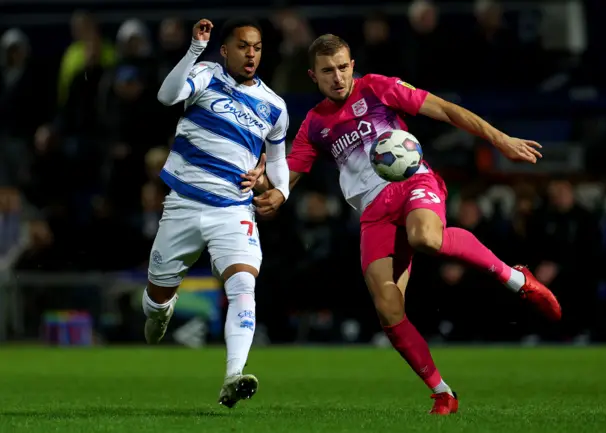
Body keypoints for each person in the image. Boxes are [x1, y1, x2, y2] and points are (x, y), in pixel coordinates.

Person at [248, 34, 561, 415]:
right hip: (373, 212)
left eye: (344, 67)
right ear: (313, 76)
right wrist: (269, 189)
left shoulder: (379, 88)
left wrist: (501, 139)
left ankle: (516, 279)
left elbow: (445, 110)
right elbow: (289, 177)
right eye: (328, 71)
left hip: (413, 184)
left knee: (426, 238)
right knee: (388, 309)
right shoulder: (315, 124)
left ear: (352, 65)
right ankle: (443, 392)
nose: (338, 77)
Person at [146, 18, 290, 409]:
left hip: (234, 209)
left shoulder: (275, 106)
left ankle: (233, 376)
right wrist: (195, 49)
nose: (251, 54)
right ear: (225, 50)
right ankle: (159, 311)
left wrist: (281, 191)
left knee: (243, 285)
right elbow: (166, 96)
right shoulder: (206, 75)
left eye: (257, 47)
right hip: (184, 204)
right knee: (156, 297)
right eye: (243, 46)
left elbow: (277, 160)